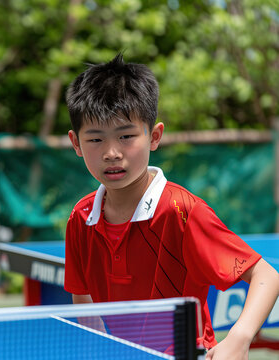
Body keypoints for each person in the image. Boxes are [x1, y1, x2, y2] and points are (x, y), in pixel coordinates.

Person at [63, 53, 279, 359]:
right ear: (76, 143)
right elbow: (82, 298)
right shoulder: (80, 218)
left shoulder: (182, 212)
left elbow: (267, 276)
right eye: (96, 139)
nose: (112, 153)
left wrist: (239, 338)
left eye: (126, 136)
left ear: (154, 136)